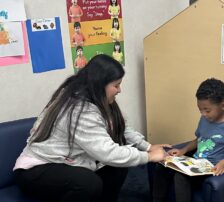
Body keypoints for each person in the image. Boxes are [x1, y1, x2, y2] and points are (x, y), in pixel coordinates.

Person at [13, 54, 169, 202]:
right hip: (36, 170)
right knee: (88, 183)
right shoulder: (79, 109)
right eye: (116, 85)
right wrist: (148, 156)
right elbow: (108, 153)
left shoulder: (97, 96)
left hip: (68, 161)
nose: (119, 90)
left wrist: (147, 146)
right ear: (101, 84)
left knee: (117, 167)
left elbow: (121, 126)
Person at [153, 78, 224, 202]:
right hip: (195, 163)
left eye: (207, 110)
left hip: (211, 168)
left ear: (223, 106)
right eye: (200, 110)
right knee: (162, 165)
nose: (203, 114)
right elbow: (199, 140)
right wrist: (182, 151)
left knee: (180, 177)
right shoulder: (205, 119)